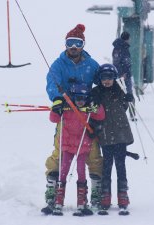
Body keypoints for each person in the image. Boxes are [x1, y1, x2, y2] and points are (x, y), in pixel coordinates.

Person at [42, 24, 102, 215]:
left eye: (78, 43)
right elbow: (52, 83)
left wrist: (96, 100)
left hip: (85, 118)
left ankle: (96, 194)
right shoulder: (58, 64)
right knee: (59, 153)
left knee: (92, 154)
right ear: (65, 45)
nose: (74, 47)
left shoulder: (91, 65)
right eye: (70, 43)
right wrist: (57, 99)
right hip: (66, 116)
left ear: (83, 45)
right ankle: (52, 192)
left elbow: (103, 83)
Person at [50, 83, 105, 216]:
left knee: (81, 171)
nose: (80, 101)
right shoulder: (67, 108)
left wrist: (96, 106)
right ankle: (58, 201)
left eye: (83, 98)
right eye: (77, 98)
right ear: (73, 97)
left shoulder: (88, 110)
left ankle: (82, 202)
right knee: (63, 171)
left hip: (82, 145)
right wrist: (56, 108)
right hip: (68, 145)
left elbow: (101, 115)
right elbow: (53, 118)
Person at [90, 64, 134, 215]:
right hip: (106, 134)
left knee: (120, 165)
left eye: (109, 78)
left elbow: (124, 106)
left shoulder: (120, 89)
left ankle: (123, 196)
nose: (107, 81)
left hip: (121, 133)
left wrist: (129, 98)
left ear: (114, 78)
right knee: (107, 166)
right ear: (100, 79)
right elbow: (93, 110)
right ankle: (105, 196)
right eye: (104, 78)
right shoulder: (96, 92)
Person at [112, 31, 136, 121]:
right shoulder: (122, 48)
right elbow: (121, 63)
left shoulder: (118, 48)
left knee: (122, 94)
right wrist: (124, 73)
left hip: (121, 75)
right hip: (124, 76)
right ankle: (130, 114)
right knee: (128, 94)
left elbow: (117, 62)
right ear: (127, 38)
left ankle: (122, 114)